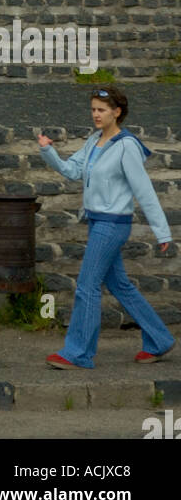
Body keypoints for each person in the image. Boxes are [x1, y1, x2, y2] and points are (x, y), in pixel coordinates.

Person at [38, 86, 174, 370]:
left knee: (87, 285)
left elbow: (145, 191)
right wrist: (48, 151)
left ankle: (78, 353)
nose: (96, 115)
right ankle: (160, 340)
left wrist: (162, 232)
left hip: (112, 225)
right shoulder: (94, 141)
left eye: (101, 110)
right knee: (119, 285)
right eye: (93, 109)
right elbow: (72, 171)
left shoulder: (127, 146)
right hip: (97, 222)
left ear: (117, 112)